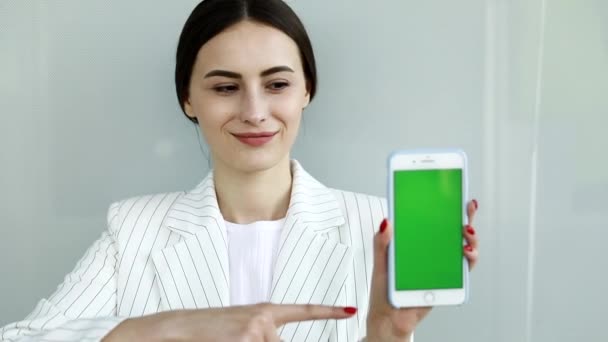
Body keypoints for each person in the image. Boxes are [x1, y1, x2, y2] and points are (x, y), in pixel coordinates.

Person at [0, 0, 480, 341]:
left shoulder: (375, 227)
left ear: (306, 90)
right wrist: (172, 327)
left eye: (276, 84)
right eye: (225, 87)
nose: (255, 111)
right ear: (188, 99)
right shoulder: (134, 231)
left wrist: (384, 337)